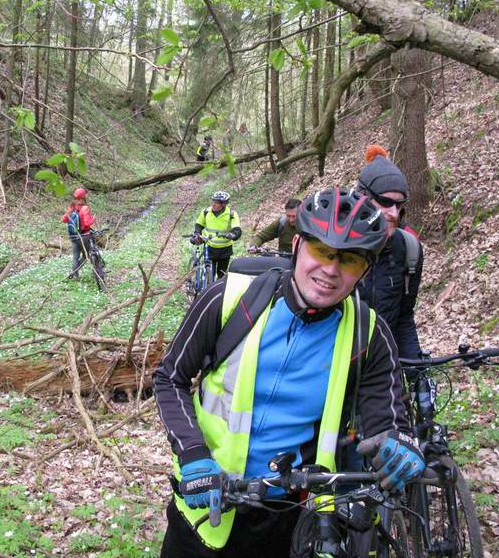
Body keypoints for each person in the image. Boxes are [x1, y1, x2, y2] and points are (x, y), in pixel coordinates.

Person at [155, 188, 424, 557]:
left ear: (366, 269)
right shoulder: (230, 298)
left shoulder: (368, 334)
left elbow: (386, 419)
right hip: (204, 502)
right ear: (297, 244)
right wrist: (192, 452)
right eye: (322, 251)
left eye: (349, 260)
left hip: (286, 513)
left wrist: (401, 443)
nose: (330, 269)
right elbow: (170, 377)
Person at [356, 145, 423, 360]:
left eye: (399, 204)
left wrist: (417, 372)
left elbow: (404, 317)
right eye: (385, 202)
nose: (393, 213)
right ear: (362, 199)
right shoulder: (336, 248)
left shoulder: (409, 249)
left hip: (383, 367)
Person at [190, 191, 242, 280]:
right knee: (210, 274)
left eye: (216, 202)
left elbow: (236, 229)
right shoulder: (206, 212)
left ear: (223, 204)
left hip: (225, 250)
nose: (213, 204)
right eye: (213, 201)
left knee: (221, 276)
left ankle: (218, 292)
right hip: (210, 248)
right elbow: (199, 225)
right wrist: (197, 234)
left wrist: (233, 235)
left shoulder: (231, 214)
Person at [62, 187, 96, 280]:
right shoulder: (84, 208)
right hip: (83, 236)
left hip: (73, 236)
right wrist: (93, 219)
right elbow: (87, 223)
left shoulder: (71, 207)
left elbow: (64, 219)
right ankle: (95, 272)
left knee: (75, 257)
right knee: (87, 255)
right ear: (83, 197)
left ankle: (75, 275)